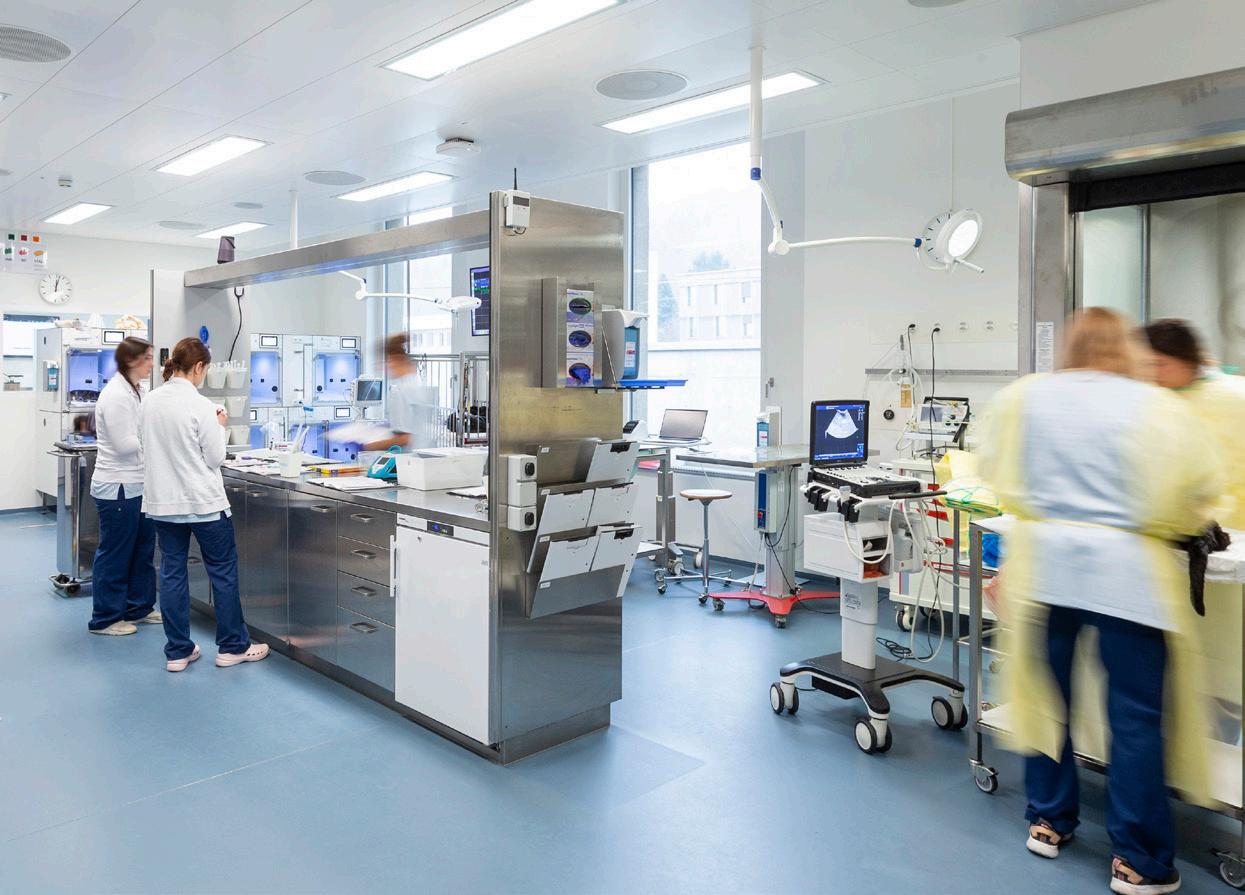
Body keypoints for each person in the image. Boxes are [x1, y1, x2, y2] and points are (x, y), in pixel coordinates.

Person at [979, 308, 1220, 895]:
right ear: (1126, 347)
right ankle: (1137, 861)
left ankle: (1048, 821)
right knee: (1135, 720)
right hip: (1126, 580)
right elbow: (1194, 489)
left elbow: (994, 471)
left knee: (1045, 701)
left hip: (1046, 571)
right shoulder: (1153, 406)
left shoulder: (1026, 397)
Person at [141, 337, 268, 673]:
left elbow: (146, 447)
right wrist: (220, 426)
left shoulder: (149, 402)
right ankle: (233, 647)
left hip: (164, 503)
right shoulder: (202, 406)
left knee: (172, 573)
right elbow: (214, 458)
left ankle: (177, 652)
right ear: (198, 367)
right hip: (204, 505)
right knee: (222, 573)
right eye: (205, 370)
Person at [1145, 318, 1245, 737]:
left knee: (1224, 668)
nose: (1152, 375)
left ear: (1185, 359)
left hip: (1229, 552)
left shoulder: (1230, 398)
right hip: (1182, 553)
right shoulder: (1162, 402)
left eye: (1159, 365)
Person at [88, 336, 160, 636]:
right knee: (116, 553)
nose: (152, 364)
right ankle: (105, 618)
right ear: (131, 360)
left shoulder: (138, 390)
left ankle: (138, 607)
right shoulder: (116, 395)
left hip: (138, 486)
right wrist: (157, 443)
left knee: (142, 551)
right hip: (118, 486)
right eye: (148, 358)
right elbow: (125, 445)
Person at [362, 333, 438, 452]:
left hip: (408, 457)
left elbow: (405, 439)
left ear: (393, 360)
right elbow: (410, 425)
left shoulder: (400, 390)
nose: (382, 368)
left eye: (383, 362)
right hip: (424, 453)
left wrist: (367, 446)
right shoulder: (415, 384)